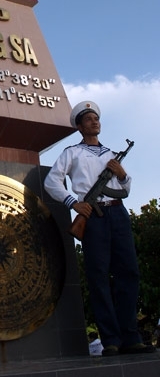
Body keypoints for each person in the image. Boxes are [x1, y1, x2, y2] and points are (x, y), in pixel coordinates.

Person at [44, 101, 156, 357]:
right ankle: (111, 340)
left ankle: (131, 337)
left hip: (117, 212)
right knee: (99, 276)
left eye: (96, 118)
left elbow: (125, 190)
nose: (94, 122)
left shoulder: (111, 155)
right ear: (80, 127)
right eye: (89, 119)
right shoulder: (72, 152)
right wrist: (73, 203)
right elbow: (52, 181)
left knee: (128, 273)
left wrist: (122, 174)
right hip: (93, 215)